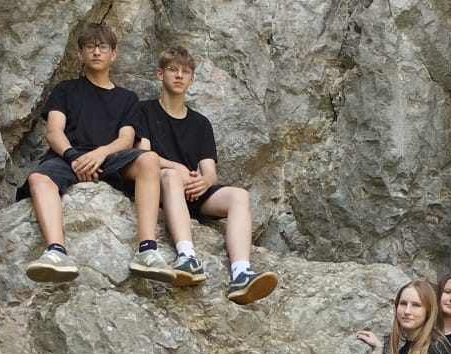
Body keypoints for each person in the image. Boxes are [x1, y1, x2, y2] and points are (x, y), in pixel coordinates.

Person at [21, 23, 175, 286]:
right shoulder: (65, 90)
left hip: (110, 158)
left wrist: (101, 153)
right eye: (89, 46)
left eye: (103, 46)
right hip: (68, 156)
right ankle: (56, 252)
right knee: (38, 178)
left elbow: (126, 139)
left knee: (149, 159)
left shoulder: (127, 98)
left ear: (113, 54)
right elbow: (54, 133)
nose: (96, 52)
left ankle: (147, 250)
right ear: (80, 53)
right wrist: (74, 158)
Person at [131, 47, 279, 304]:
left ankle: (241, 273)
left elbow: (210, 171)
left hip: (192, 191)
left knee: (239, 196)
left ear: (192, 79)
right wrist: (176, 167)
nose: (179, 76)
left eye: (186, 72)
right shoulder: (144, 110)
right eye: (173, 70)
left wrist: (203, 182)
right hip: (163, 186)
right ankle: (187, 257)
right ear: (160, 74)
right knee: (170, 175)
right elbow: (142, 153)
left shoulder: (200, 123)